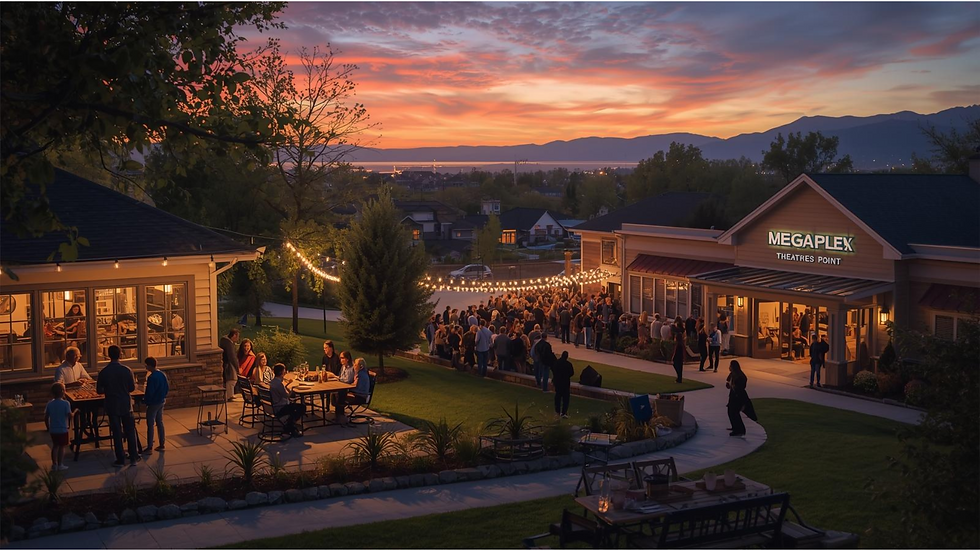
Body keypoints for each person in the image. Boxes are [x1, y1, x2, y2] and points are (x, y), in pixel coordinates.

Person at [97, 345, 139, 466]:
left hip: (112, 404)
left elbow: (99, 390)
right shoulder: (126, 370)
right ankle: (133, 457)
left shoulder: (104, 372)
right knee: (130, 431)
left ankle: (120, 459)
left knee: (116, 432)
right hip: (125, 404)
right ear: (120, 354)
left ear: (109, 355)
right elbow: (131, 388)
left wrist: (109, 389)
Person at [142, 356, 169, 454]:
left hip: (153, 403)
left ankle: (149, 447)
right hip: (161, 401)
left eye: (146, 365)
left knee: (150, 424)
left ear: (149, 365)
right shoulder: (162, 374)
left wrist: (146, 401)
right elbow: (167, 388)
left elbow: (150, 392)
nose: (145, 367)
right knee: (160, 422)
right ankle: (162, 443)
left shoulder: (151, 377)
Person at [44, 382, 74, 471]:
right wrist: (74, 413)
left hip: (53, 429)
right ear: (62, 391)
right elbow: (69, 415)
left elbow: (46, 417)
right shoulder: (66, 403)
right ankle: (60, 464)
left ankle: (54, 464)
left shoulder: (49, 404)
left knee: (55, 446)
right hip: (63, 429)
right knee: (62, 447)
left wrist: (48, 427)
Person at [269, 363, 304, 437]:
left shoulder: (273, 382)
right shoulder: (279, 384)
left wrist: (287, 385)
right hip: (280, 407)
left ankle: (290, 425)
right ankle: (290, 425)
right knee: (302, 407)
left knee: (295, 406)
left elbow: (282, 392)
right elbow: (287, 396)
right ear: (281, 372)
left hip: (274, 406)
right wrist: (293, 388)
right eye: (284, 371)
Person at [726, 360, 757, 437]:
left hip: (738, 397)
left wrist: (733, 387)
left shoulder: (740, 376)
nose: (729, 367)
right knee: (730, 412)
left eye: (730, 366)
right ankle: (735, 427)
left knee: (734, 413)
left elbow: (740, 388)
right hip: (733, 396)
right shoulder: (733, 374)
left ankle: (740, 430)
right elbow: (729, 382)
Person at [551, 351, 574, 418]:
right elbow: (572, 373)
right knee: (565, 399)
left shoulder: (557, 363)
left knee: (558, 397)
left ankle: (557, 411)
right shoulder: (568, 364)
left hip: (558, 382)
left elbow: (553, 370)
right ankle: (564, 412)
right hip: (565, 383)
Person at [220, 328, 240, 401]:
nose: (238, 339)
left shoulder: (224, 341)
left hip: (226, 364)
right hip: (228, 365)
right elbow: (232, 357)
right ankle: (229, 395)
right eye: (237, 336)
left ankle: (230, 395)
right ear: (234, 335)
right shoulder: (228, 344)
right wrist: (237, 368)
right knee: (232, 379)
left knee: (230, 380)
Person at [672, 318, 685, 383]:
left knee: (676, 364)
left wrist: (673, 356)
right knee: (680, 365)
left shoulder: (678, 333)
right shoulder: (681, 332)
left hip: (678, 353)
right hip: (680, 352)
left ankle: (679, 377)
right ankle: (679, 378)